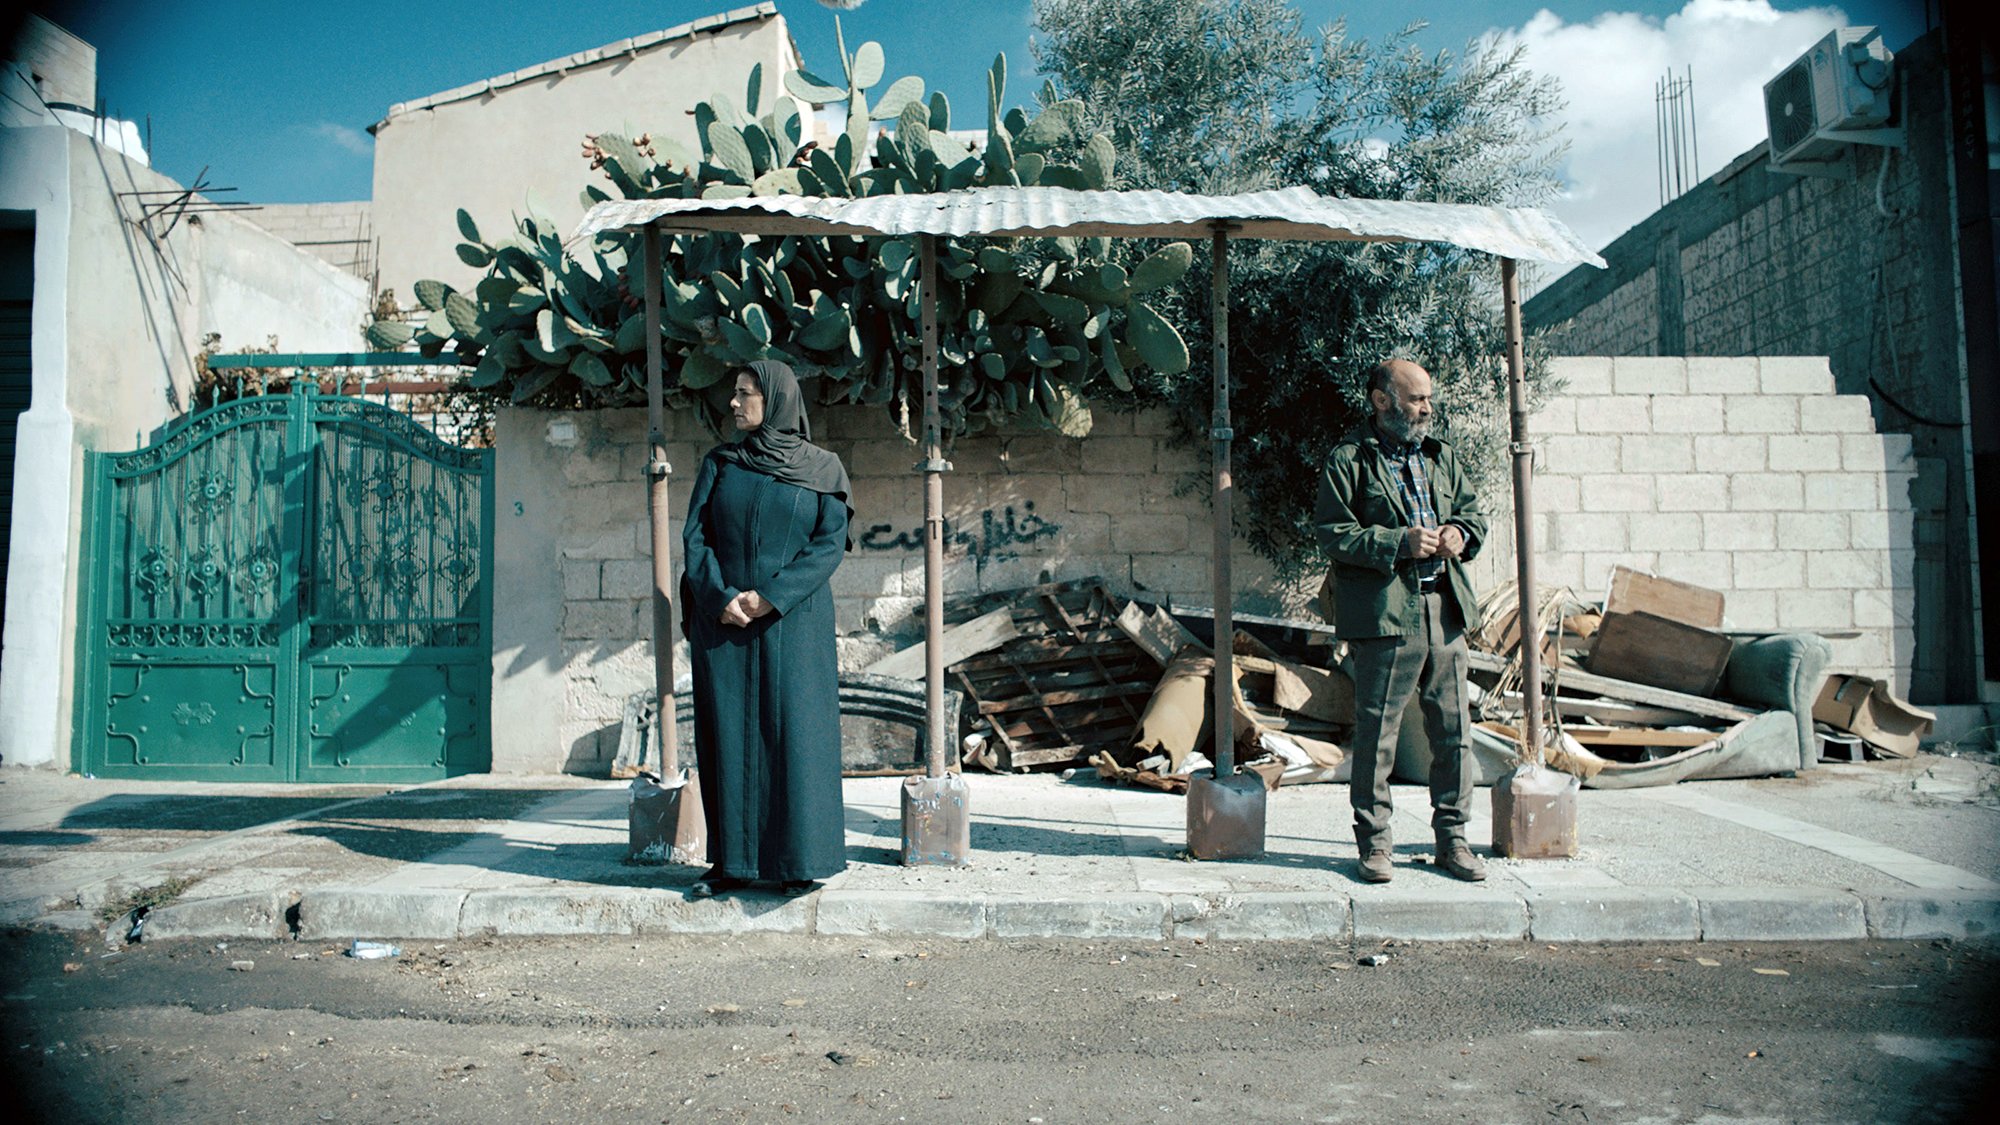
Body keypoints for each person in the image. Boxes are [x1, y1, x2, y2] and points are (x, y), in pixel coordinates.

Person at [1314, 358, 1489, 884]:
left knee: (1455, 734)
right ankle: (1375, 845)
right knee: (1377, 736)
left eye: (1429, 398)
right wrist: (1398, 542)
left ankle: (1453, 841)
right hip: (1389, 615)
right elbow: (1333, 533)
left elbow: (1474, 515)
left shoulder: (1442, 457)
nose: (1427, 409)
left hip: (1446, 612)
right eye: (1417, 399)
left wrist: (1460, 533)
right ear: (1381, 400)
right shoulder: (1348, 460)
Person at [681, 359, 852, 899]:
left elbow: (828, 544)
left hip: (793, 623)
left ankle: (798, 863)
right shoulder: (721, 463)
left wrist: (771, 597)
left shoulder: (824, 469)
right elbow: (695, 538)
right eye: (733, 393)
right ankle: (731, 864)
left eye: (744, 394)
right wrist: (721, 597)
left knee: (796, 739)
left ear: (774, 399)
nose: (733, 404)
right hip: (726, 623)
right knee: (728, 738)